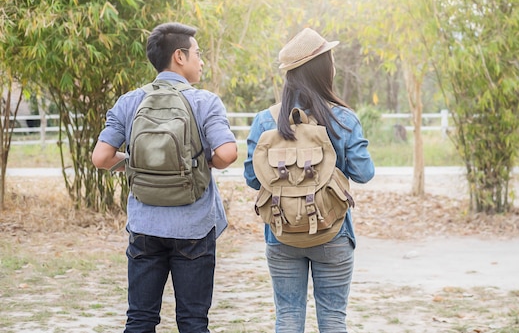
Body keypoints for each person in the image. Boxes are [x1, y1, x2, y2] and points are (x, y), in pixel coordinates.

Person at [91, 22, 238, 333]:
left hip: (145, 225)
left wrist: (133, 165)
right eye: (199, 54)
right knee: (193, 322)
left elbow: (100, 158)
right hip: (194, 226)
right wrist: (200, 164)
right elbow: (226, 154)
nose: (202, 61)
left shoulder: (130, 101)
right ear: (180, 56)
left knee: (140, 320)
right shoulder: (205, 102)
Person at [243, 28, 375, 333]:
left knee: (287, 317)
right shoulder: (342, 118)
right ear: (322, 69)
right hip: (333, 232)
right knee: (332, 320)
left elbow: (252, 178)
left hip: (281, 233)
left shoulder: (266, 120)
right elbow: (364, 173)